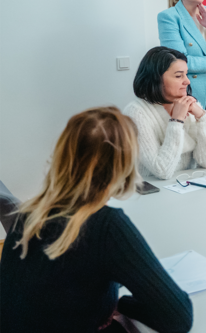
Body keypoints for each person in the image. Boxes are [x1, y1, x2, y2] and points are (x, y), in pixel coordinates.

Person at [0, 107, 193, 333]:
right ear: (122, 167)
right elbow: (178, 318)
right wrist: (121, 304)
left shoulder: (30, 214)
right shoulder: (106, 226)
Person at [124, 47, 206, 180]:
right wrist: (176, 121)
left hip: (187, 186)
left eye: (186, 74)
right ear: (156, 78)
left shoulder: (190, 105)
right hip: (152, 191)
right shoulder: (136, 112)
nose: (187, 81)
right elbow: (162, 171)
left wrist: (202, 118)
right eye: (178, 76)